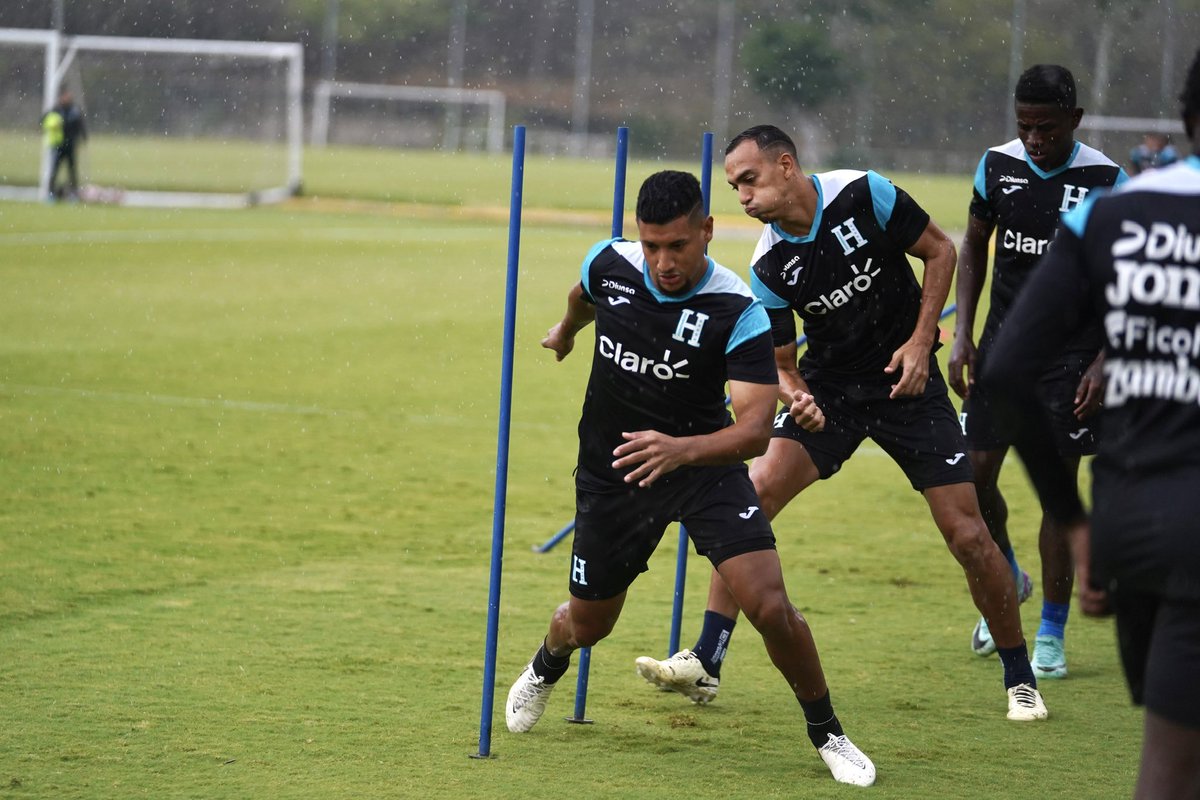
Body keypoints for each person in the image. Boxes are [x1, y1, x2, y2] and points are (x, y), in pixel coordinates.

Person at [635, 125, 1048, 722]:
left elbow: (941, 250)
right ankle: (707, 658)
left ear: (785, 166)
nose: (742, 197)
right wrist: (796, 397)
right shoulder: (768, 264)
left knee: (966, 532)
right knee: (750, 499)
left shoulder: (864, 192)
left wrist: (920, 339)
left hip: (911, 386)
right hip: (833, 392)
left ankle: (1021, 677)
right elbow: (781, 365)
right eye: (733, 188)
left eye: (749, 181)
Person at [504, 170, 876, 787]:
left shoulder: (738, 310)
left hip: (704, 466)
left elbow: (756, 432)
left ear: (706, 231)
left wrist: (682, 450)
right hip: (614, 473)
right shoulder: (611, 263)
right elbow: (583, 294)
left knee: (770, 605)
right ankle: (547, 664)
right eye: (651, 245)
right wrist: (567, 332)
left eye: (677, 245)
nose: (662, 261)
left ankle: (828, 732)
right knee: (590, 624)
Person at [980, 46, 1200, 799]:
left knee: (1170, 762)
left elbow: (1007, 370)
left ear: (1184, 120)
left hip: (1145, 523)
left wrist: (1077, 521)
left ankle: (1049, 613)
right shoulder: (1013, 172)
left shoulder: (1117, 206)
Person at [949, 65, 1128, 678]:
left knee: (1057, 488)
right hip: (1002, 350)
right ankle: (1009, 573)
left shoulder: (1106, 180)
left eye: (1046, 128)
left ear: (1074, 120)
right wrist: (963, 335)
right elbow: (975, 244)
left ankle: (1050, 632)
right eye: (1024, 126)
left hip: (1074, 356)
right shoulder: (996, 166)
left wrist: (1107, 360)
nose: (1033, 139)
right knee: (971, 480)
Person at [42, 88, 87, 201]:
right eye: (65, 96)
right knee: (54, 170)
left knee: (72, 171)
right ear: (61, 97)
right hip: (58, 145)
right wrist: (52, 125)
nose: (67, 98)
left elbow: (81, 125)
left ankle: (73, 194)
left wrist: (83, 136)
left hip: (71, 145)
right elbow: (43, 121)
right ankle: (50, 194)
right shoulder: (55, 110)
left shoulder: (75, 110)